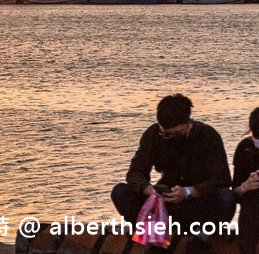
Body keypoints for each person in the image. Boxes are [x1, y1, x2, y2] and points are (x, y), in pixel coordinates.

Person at [111, 94, 234, 240]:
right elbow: (135, 172)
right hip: (165, 201)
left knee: (226, 197)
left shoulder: (207, 136)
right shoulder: (153, 134)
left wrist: (190, 191)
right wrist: (147, 189)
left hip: (197, 202)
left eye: (176, 133)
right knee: (120, 191)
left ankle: (204, 234)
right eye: (166, 134)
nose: (170, 138)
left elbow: (222, 178)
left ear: (188, 123)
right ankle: (146, 229)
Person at [232, 108, 259, 254]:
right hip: (252, 207)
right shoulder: (244, 148)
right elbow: (234, 194)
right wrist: (245, 187)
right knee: (250, 211)